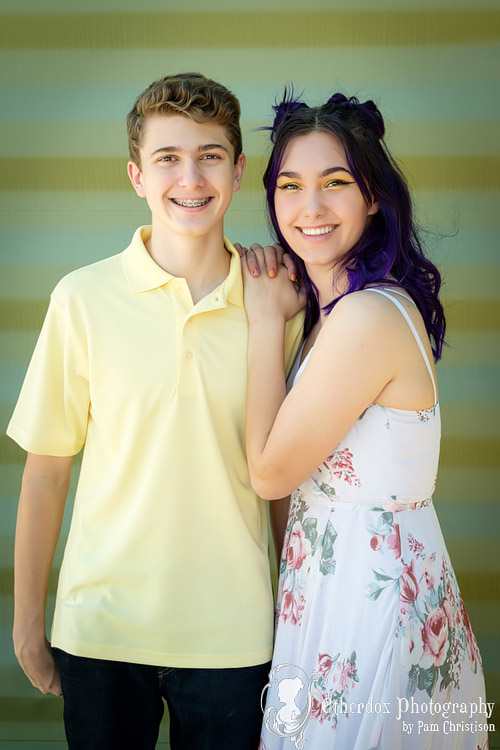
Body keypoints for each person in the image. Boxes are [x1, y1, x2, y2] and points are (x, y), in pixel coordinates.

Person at [7, 73, 303, 750]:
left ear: (238, 171)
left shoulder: (277, 304)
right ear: (137, 175)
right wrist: (28, 624)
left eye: (209, 155)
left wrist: (301, 614)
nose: (190, 176)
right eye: (168, 158)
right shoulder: (81, 299)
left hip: (236, 636)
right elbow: (48, 473)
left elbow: (287, 481)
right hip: (102, 632)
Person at [240, 92, 489, 748]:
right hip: (339, 590)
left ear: (373, 196)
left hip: (372, 612)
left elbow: (269, 472)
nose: (310, 207)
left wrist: (265, 320)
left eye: (336, 183)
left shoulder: (366, 317)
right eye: (290, 186)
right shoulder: (340, 313)